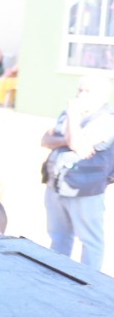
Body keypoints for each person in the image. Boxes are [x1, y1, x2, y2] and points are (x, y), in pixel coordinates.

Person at [41, 76, 114, 271]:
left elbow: (74, 142)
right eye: (80, 90)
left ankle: (89, 283)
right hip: (56, 184)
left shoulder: (107, 119)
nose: (81, 95)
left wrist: (70, 126)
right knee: (58, 236)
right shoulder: (67, 114)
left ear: (102, 95)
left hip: (85, 189)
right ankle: (57, 275)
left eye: (87, 91)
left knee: (90, 241)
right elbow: (45, 140)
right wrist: (69, 139)